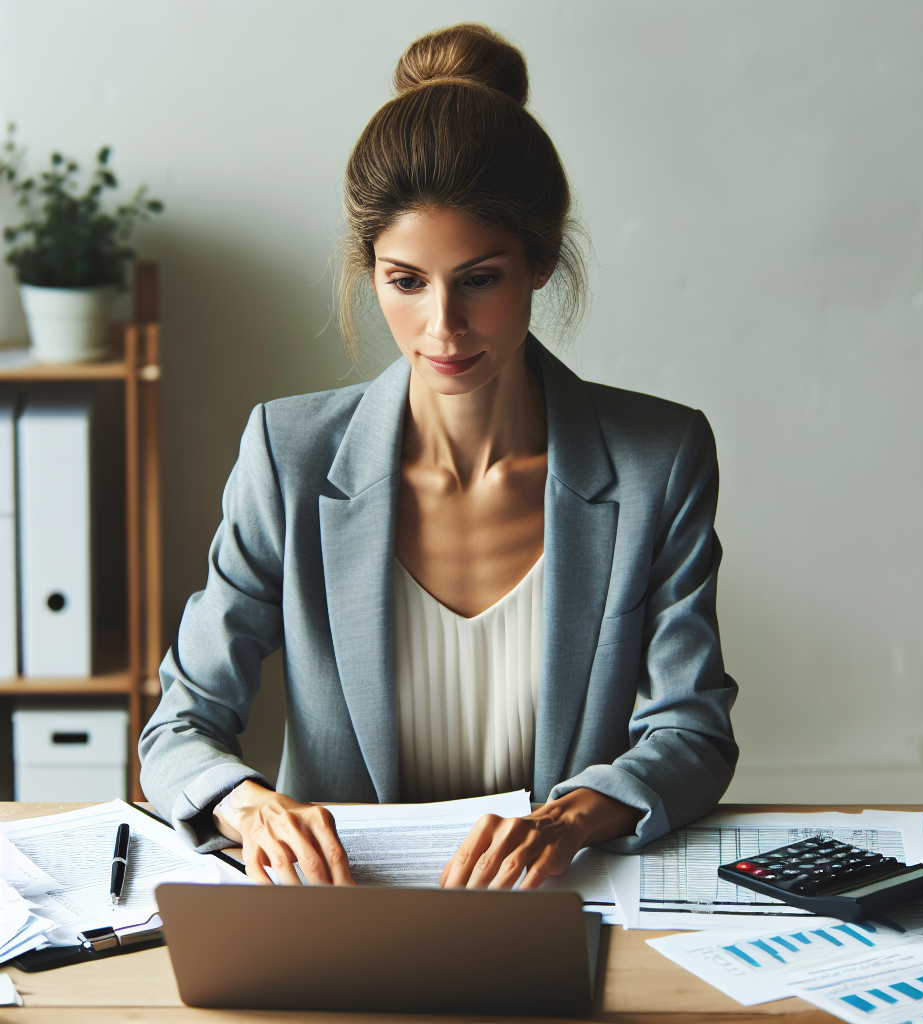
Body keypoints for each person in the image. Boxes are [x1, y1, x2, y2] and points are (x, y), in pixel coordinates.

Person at [140, 23, 739, 889]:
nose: (443, 328)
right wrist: (248, 805)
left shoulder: (660, 459)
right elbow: (181, 725)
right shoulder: (289, 456)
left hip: (556, 908)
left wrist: (568, 819)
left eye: (480, 278)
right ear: (370, 271)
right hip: (340, 921)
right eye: (406, 281)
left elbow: (692, 730)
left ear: (539, 261)